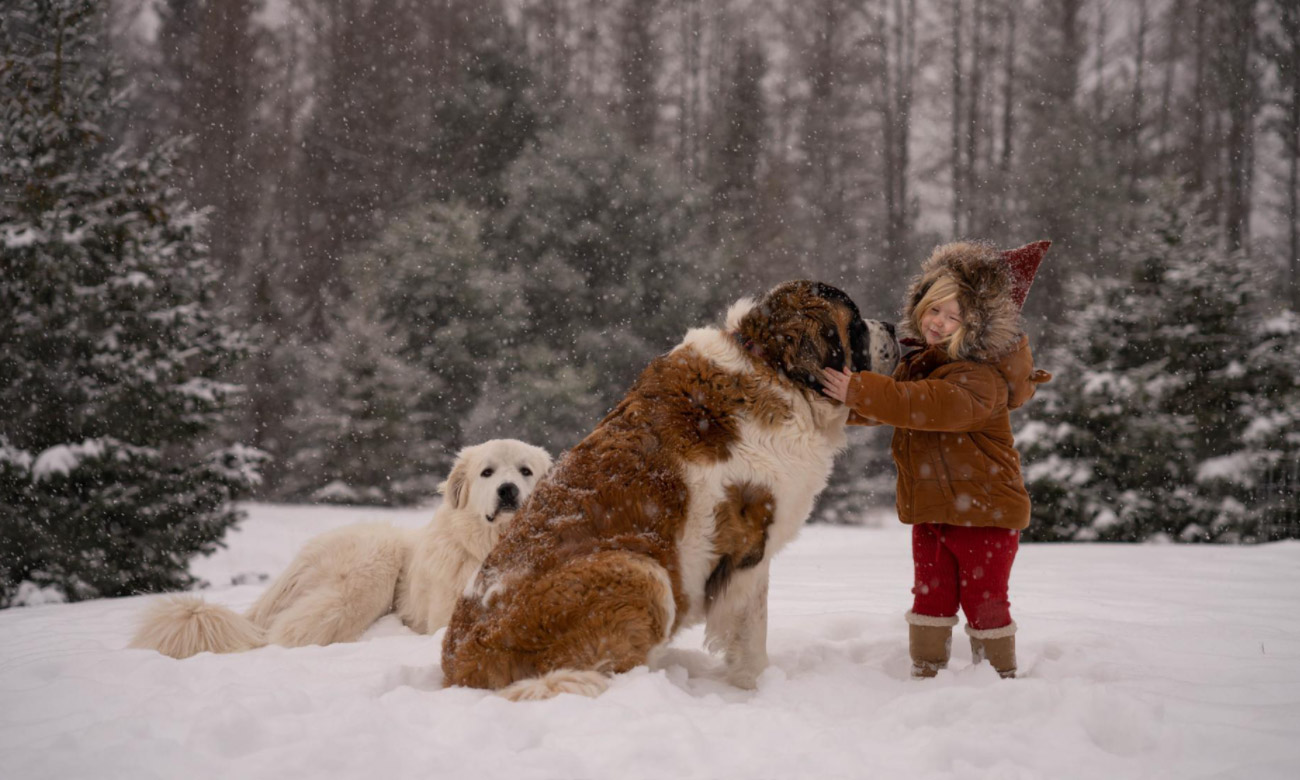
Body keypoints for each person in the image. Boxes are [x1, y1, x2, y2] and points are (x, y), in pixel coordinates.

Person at [821, 240, 1052, 679]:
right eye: (934, 310)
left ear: (977, 327)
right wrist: (833, 407)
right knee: (931, 596)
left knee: (985, 600)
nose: (939, 322)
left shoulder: (980, 377)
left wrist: (860, 389)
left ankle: (998, 677)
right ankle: (926, 673)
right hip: (932, 512)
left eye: (954, 317)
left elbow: (926, 405)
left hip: (985, 515)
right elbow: (890, 406)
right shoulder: (923, 366)